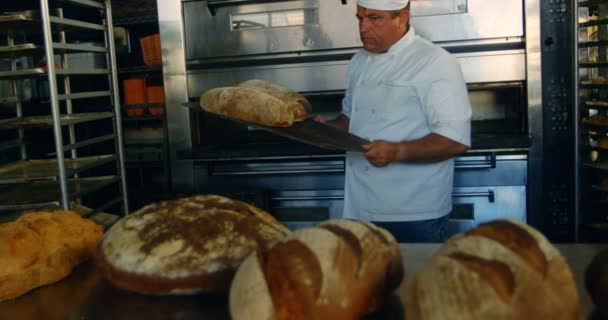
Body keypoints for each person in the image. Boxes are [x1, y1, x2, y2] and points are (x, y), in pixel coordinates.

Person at [315, 0, 472, 242]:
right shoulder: (359, 61)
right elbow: (351, 119)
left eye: (374, 18)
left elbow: (455, 141)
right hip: (360, 206)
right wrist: (324, 130)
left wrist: (397, 151)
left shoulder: (434, 61)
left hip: (414, 212)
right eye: (360, 18)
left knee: (414, 278)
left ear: (402, 17)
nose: (363, 28)